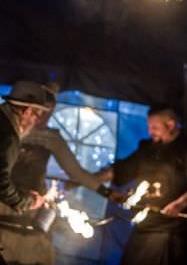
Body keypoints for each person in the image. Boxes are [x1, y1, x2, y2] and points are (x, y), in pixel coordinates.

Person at [0, 84, 114, 265]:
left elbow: (76, 172)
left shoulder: (50, 138)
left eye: (48, 112)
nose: (42, 118)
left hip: (31, 206)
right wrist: (22, 200)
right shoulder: (9, 132)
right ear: (28, 111)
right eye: (40, 112)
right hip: (9, 202)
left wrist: (107, 192)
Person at [96, 107, 187, 265]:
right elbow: (122, 169)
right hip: (144, 225)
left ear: (170, 125)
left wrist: (179, 204)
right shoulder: (147, 148)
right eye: (149, 127)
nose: (150, 132)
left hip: (171, 231)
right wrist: (89, 179)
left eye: (154, 127)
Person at [0, 81, 50, 264]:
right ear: (27, 110)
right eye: (37, 115)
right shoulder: (8, 135)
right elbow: (1, 183)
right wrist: (27, 202)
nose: (36, 121)